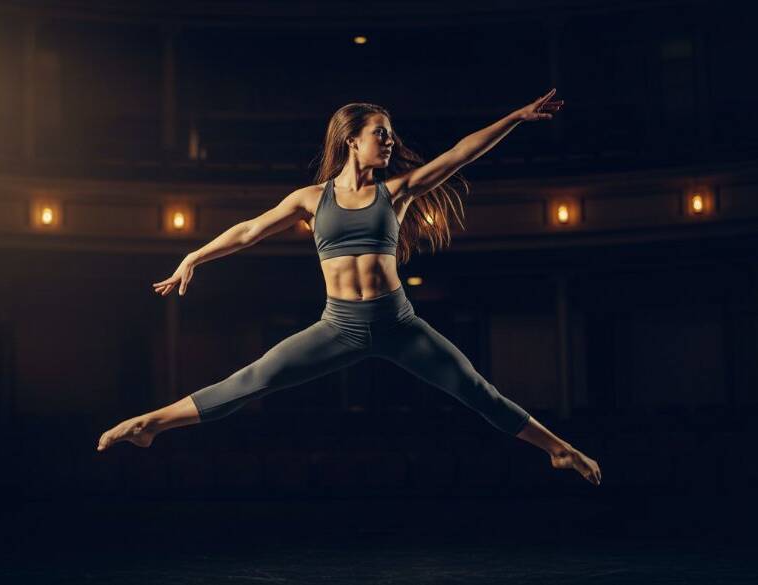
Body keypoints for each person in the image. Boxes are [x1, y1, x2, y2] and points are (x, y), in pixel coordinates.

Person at [97, 89, 602, 487]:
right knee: (254, 378)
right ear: (351, 140)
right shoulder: (310, 199)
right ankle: (150, 425)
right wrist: (194, 257)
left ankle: (558, 449)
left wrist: (515, 117)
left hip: (398, 324)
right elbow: (249, 230)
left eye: (390, 135)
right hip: (337, 327)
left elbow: (458, 155)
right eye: (380, 133)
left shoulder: (397, 192)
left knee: (474, 389)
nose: (389, 142)